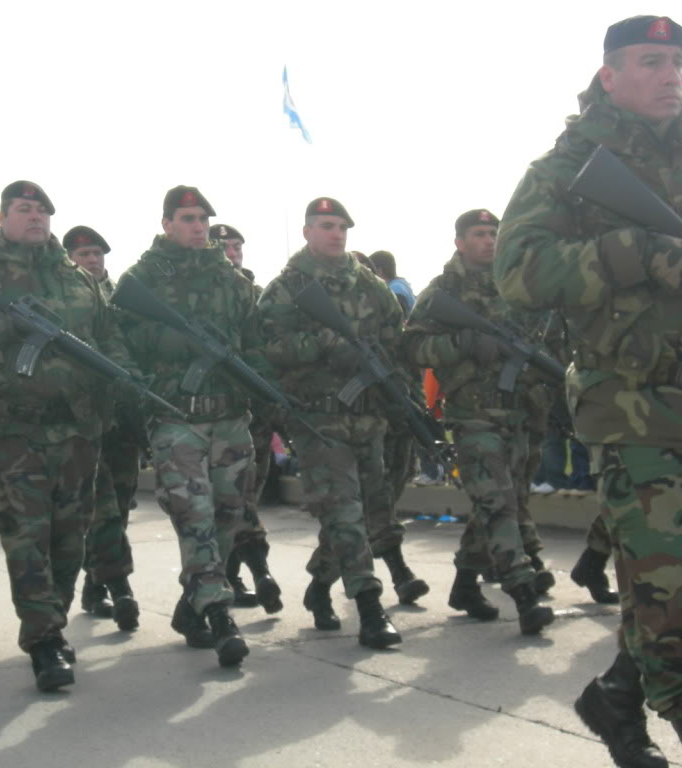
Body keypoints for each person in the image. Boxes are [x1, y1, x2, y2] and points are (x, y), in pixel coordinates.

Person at [495, 14, 682, 765]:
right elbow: (519, 273)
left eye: (676, 62)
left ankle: (614, 696)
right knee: (668, 598)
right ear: (609, 76)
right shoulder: (569, 163)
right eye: (649, 62)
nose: (670, 75)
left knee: (655, 587)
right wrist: (633, 252)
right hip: (634, 412)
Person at [0, 181, 137, 692]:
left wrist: (124, 378)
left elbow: (109, 337)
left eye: (43, 209)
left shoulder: (75, 278)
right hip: (10, 429)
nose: (36, 216)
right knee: (25, 537)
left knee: (69, 539)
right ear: (2, 217)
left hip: (77, 429)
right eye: (24, 209)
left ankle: (54, 619)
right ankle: (43, 641)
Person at [117, 186, 266, 666]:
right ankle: (221, 616)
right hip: (176, 417)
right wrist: (172, 350)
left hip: (229, 416)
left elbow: (255, 340)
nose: (198, 226)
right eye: (187, 218)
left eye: (203, 218)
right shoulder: (143, 279)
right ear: (166, 224)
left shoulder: (233, 280)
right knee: (194, 516)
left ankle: (193, 602)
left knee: (229, 515)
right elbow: (118, 343)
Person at [257, 196, 403, 649]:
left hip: (367, 416)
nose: (336, 233)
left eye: (341, 226)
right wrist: (322, 342)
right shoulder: (286, 288)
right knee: (344, 511)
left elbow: (395, 335)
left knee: (364, 512)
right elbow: (264, 349)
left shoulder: (369, 285)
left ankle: (319, 586)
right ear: (306, 232)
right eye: (325, 225)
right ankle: (369, 606)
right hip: (318, 419)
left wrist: (396, 388)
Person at [402, 209, 555, 636]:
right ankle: (523, 594)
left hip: (520, 414)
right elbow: (411, 348)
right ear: (460, 242)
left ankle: (466, 585)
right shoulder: (443, 292)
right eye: (479, 234)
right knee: (498, 504)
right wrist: (465, 343)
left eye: (493, 233)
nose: (489, 240)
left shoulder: (513, 285)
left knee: (501, 503)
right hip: (472, 418)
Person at [63, 224, 141, 631]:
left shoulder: (123, 298)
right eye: (83, 255)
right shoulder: (65, 300)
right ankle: (118, 584)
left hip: (122, 423)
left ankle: (95, 584)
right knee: (102, 508)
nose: (92, 260)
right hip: (84, 420)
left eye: (97, 253)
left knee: (121, 502)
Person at [207, 222, 283, 615]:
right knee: (233, 501)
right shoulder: (203, 296)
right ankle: (252, 572)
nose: (233, 252)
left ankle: (230, 575)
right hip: (221, 417)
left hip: (257, 418)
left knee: (246, 498)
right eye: (224, 246)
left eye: (237, 246)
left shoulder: (256, 296)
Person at [368, 250, 415, 319]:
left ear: (379, 271)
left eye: (370, 270)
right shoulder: (401, 285)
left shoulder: (395, 290)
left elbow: (400, 320)